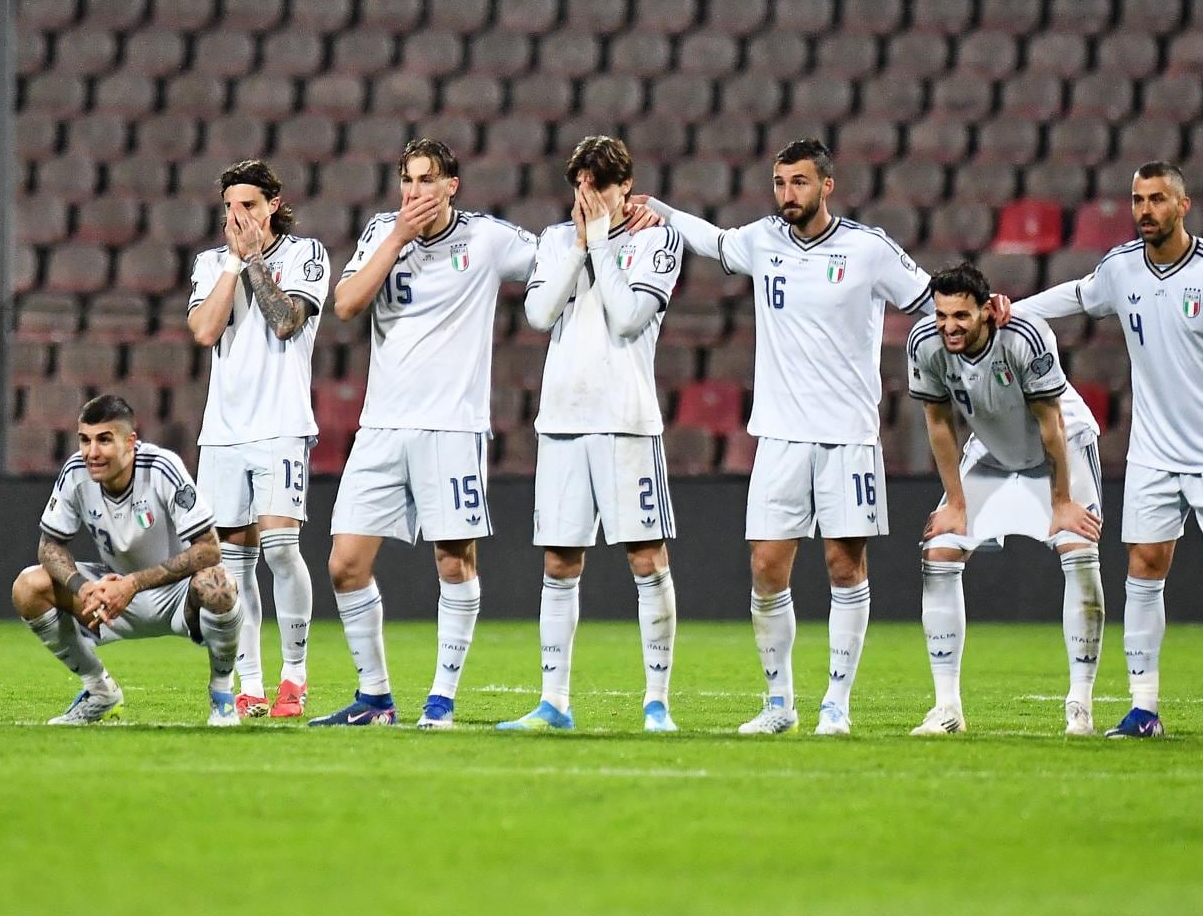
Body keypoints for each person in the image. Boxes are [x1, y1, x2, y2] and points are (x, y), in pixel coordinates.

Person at [642, 138, 931, 736]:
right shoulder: (763, 239)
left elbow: (930, 302)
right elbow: (714, 241)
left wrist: (985, 316)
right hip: (778, 435)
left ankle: (838, 703)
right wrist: (660, 209)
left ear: (828, 185)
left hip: (848, 434)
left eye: (799, 182)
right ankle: (780, 704)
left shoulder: (869, 249)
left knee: (844, 564)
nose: (787, 195)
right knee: (767, 565)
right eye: (779, 183)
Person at [1016, 161, 1203, 740]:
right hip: (1152, 453)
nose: (1144, 210)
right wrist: (1016, 311)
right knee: (1144, 566)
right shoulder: (1121, 268)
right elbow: (1080, 296)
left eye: (1157, 199)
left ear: (1183, 205)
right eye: (1138, 199)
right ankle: (1144, 708)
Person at [311, 139, 538, 729]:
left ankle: (441, 698)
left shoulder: (487, 239)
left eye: (427, 180)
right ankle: (376, 698)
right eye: (407, 180)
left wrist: (609, 223)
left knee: (454, 560)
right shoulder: (383, 232)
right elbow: (345, 304)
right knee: (344, 564)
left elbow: (555, 259)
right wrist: (395, 240)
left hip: (452, 429)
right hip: (382, 426)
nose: (414, 192)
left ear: (451, 186)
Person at [497, 135, 683, 734]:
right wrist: (582, 243)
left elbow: (629, 318)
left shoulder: (657, 238)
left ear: (625, 186)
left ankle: (657, 701)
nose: (588, 195)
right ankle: (554, 701)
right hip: (562, 419)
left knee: (646, 557)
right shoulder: (555, 241)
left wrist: (600, 241)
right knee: (558, 560)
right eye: (580, 183)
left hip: (626, 418)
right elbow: (538, 314)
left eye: (599, 184)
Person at [906, 264, 1106, 737]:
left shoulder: (1024, 339)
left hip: (1060, 448)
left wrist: (1061, 502)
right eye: (941, 315)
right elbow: (939, 424)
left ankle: (1080, 703)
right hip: (994, 453)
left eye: (960, 316)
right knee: (939, 551)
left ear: (985, 311)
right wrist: (955, 503)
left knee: (1079, 552)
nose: (949, 326)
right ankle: (947, 708)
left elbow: (1051, 423)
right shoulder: (926, 344)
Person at [188, 160, 327, 720]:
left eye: (248, 204)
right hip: (223, 432)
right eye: (229, 206)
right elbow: (203, 331)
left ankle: (294, 675)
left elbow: (286, 321)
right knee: (234, 566)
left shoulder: (305, 254)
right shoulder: (208, 264)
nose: (237, 216)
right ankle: (250, 683)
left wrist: (254, 261)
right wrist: (232, 267)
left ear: (273, 205)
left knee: (282, 548)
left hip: (281, 423)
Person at [10, 395, 242, 726]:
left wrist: (133, 584)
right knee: (28, 586)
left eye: (104, 439)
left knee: (218, 585)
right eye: (85, 440)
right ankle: (99, 690)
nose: (92, 452)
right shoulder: (76, 471)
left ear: (130, 441)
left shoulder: (161, 468)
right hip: (110, 594)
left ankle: (222, 695)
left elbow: (208, 549)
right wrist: (83, 586)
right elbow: (50, 546)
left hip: (175, 595)